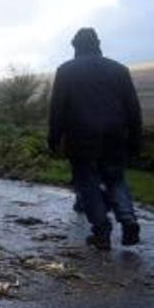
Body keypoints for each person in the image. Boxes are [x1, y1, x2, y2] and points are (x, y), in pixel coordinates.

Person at [48, 28, 143, 250]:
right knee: (116, 178)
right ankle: (128, 219)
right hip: (115, 134)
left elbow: (57, 109)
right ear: (98, 44)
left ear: (75, 47)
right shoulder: (119, 70)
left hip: (80, 136)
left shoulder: (66, 71)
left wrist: (53, 138)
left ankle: (101, 231)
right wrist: (136, 139)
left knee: (87, 182)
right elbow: (133, 108)